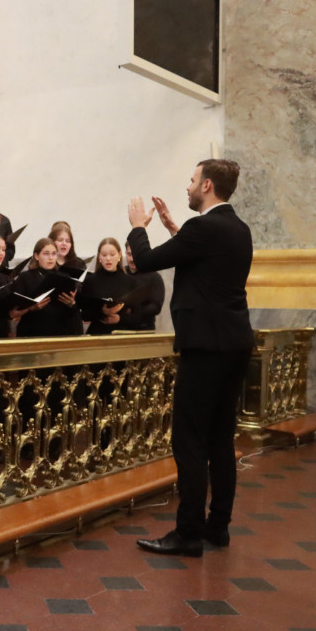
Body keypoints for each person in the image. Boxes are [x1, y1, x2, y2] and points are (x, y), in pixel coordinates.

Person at [128, 159, 254, 558]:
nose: (187, 186)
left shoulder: (204, 228)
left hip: (204, 347)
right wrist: (172, 228)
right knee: (220, 439)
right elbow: (205, 261)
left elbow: (146, 262)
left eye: (192, 180)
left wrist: (137, 226)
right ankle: (218, 528)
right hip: (234, 343)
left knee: (190, 441)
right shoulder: (237, 228)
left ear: (208, 185)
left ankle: (187, 533)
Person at [10, 237, 82, 338]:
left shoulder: (65, 277)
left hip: (59, 332)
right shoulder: (24, 278)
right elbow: (14, 311)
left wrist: (72, 303)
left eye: (54, 254)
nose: (51, 258)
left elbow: (74, 310)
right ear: (36, 256)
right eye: (46, 254)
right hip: (33, 331)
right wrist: (32, 308)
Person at [81, 237, 139, 336]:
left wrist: (120, 319)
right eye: (104, 255)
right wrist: (102, 312)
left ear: (119, 255)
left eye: (112, 254)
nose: (108, 258)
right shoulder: (90, 281)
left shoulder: (130, 282)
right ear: (99, 256)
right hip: (97, 334)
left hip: (122, 334)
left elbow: (138, 316)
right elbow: (84, 315)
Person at [125, 242, 165, 331]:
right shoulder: (121, 273)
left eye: (136, 255)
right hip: (120, 327)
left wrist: (134, 310)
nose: (132, 259)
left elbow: (156, 307)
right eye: (129, 254)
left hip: (144, 329)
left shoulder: (154, 276)